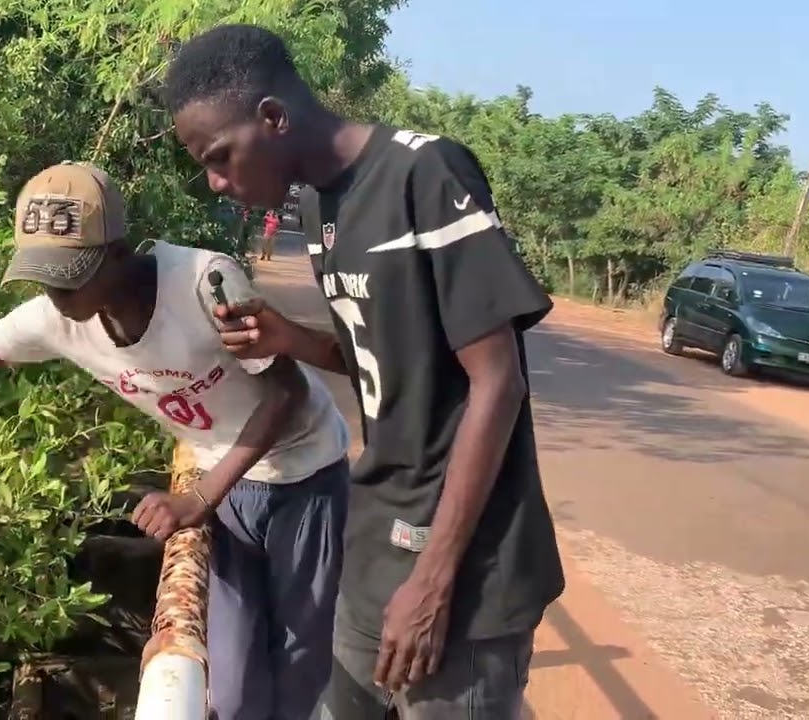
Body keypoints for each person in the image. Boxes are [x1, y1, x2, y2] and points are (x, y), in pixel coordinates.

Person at [0, 161, 351, 720]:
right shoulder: (56, 319)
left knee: (298, 655)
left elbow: (287, 393)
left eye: (69, 275)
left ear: (118, 254)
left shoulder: (203, 283)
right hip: (221, 479)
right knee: (234, 675)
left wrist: (198, 498)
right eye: (44, 275)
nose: (55, 292)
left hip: (301, 472)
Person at [162, 24, 565, 719]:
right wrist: (289, 338)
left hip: (464, 568)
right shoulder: (320, 203)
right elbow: (391, 359)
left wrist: (433, 582)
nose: (217, 182)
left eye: (220, 157)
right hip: (378, 538)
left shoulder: (425, 174)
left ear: (273, 118)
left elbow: (497, 381)